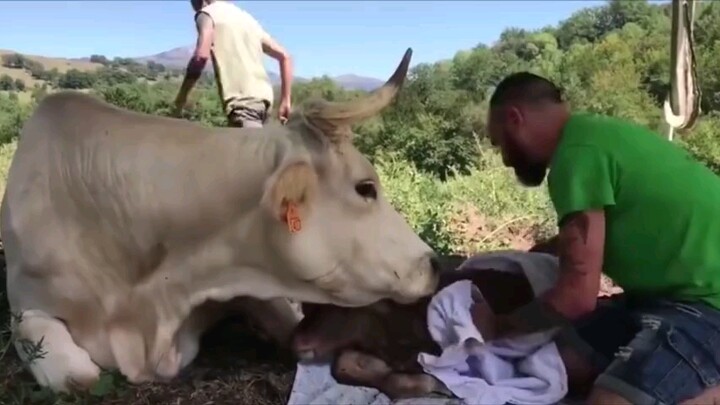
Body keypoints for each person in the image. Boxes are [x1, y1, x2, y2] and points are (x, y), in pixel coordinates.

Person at [476, 71, 720, 405]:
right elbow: (596, 235)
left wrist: (500, 325)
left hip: (707, 307)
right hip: (657, 299)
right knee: (556, 364)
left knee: (608, 401)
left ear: (514, 118)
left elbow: (577, 298)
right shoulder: (592, 135)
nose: (504, 158)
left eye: (499, 142)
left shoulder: (576, 156)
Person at [174, 0, 293, 128]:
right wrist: (286, 101)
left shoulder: (207, 14)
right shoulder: (247, 19)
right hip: (265, 102)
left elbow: (201, 56)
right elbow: (285, 57)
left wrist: (182, 97)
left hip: (243, 104)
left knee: (248, 147)